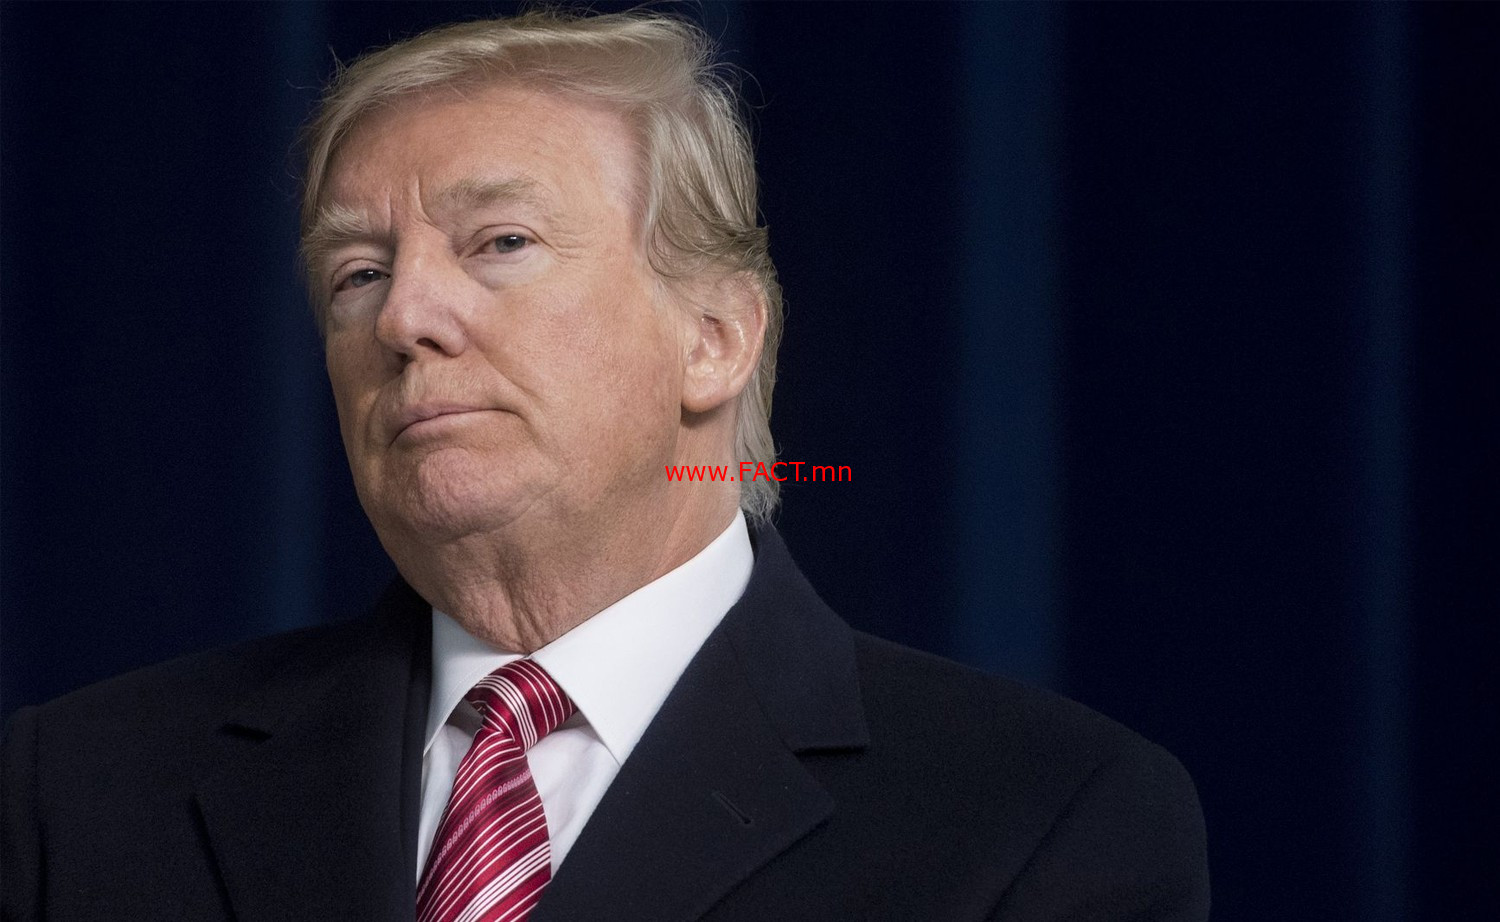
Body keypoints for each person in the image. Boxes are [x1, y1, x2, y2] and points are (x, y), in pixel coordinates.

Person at [1, 11, 1208, 921]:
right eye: (358, 273)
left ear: (713, 338)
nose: (403, 317)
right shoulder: (81, 790)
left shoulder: (1043, 817)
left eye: (501, 242)